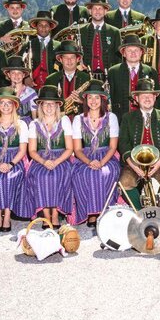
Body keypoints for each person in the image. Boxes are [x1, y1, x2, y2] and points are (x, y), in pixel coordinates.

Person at [118, 79, 160, 210]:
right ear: (136, 98)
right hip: (134, 163)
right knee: (125, 182)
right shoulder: (127, 118)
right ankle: (141, 212)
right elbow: (124, 144)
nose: (147, 98)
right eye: (143, 96)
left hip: (159, 163)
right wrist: (134, 166)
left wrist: (157, 166)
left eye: (150, 95)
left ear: (155, 97)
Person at [71, 80, 120, 227]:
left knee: (104, 172)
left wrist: (102, 162)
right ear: (85, 100)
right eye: (90, 97)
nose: (93, 101)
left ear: (102, 100)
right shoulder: (78, 120)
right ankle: (91, 213)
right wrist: (89, 162)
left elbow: (112, 147)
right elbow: (77, 149)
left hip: (107, 156)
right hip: (84, 157)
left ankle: (103, 211)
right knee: (85, 174)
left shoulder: (111, 117)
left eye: (97, 97)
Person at [25, 85, 75, 227]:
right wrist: (44, 161)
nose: (48, 107)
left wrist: (56, 161)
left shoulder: (64, 121)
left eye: (52, 103)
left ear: (57, 105)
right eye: (45, 103)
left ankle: (55, 214)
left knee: (59, 175)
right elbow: (32, 151)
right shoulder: (34, 124)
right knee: (41, 176)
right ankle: (46, 215)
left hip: (61, 157)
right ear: (40, 106)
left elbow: (69, 148)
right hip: (40, 159)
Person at [0, 87, 29, 233]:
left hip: (15, 160)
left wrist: (10, 164)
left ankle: (7, 216)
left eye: (9, 103)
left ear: (14, 105)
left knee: (10, 177)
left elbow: (22, 150)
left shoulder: (21, 125)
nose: (6, 106)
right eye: (2, 103)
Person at [107, 35, 159, 117]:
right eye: (129, 50)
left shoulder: (151, 72)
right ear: (124, 53)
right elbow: (109, 97)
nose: (133, 53)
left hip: (145, 118)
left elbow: (157, 100)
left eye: (136, 50)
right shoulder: (113, 72)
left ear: (141, 52)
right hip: (120, 118)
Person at [77, 0, 122, 78]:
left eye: (100, 9)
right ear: (90, 11)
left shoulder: (115, 32)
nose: (97, 11)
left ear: (105, 11)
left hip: (109, 77)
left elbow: (119, 59)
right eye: (95, 9)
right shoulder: (81, 31)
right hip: (86, 77)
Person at [45, 41, 92, 119]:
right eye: (66, 57)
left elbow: (95, 104)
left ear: (78, 59)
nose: (69, 61)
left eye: (72, 57)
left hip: (81, 121)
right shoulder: (51, 80)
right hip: (57, 122)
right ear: (60, 59)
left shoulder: (86, 78)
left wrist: (83, 101)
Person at [24, 9, 60, 88]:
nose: (43, 28)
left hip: (52, 87)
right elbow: (21, 62)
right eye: (40, 25)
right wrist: (26, 77)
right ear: (36, 27)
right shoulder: (29, 44)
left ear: (51, 27)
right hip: (33, 87)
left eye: (46, 25)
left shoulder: (58, 46)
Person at [2, 55, 38, 124]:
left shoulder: (31, 93)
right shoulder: (4, 92)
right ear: (8, 75)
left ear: (24, 75)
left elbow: (35, 117)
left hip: (27, 127)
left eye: (19, 73)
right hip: (8, 125)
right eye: (13, 73)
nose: (16, 76)